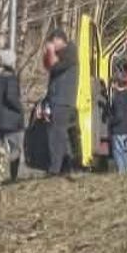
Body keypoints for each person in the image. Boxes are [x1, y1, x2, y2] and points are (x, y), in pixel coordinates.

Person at [42, 27, 79, 177]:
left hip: (64, 100)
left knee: (57, 134)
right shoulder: (63, 55)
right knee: (58, 134)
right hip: (57, 99)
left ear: (59, 40)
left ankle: (55, 169)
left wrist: (51, 52)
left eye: (53, 42)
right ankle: (65, 166)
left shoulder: (70, 53)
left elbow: (54, 67)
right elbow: (49, 69)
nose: (52, 45)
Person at [0, 48, 25, 182]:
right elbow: (11, 97)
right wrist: (20, 109)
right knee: (16, 149)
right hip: (12, 120)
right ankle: (13, 176)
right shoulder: (11, 78)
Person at [108, 63, 127, 173]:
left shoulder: (117, 98)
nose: (111, 86)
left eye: (112, 84)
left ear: (116, 83)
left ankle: (121, 172)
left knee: (118, 152)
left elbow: (118, 115)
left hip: (119, 130)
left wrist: (111, 122)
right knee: (126, 152)